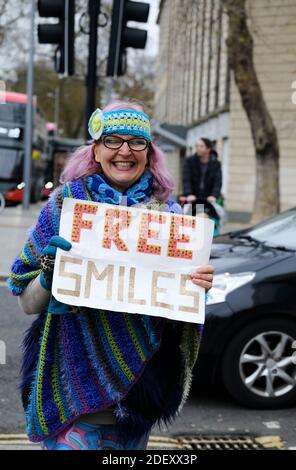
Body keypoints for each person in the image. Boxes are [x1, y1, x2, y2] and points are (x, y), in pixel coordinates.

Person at [7, 99, 214, 451]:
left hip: (137, 397)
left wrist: (197, 287)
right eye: (113, 140)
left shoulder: (170, 216)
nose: (124, 151)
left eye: (136, 142)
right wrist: (48, 272)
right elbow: (27, 302)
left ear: (149, 152)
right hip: (70, 388)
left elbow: (179, 315)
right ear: (96, 150)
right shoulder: (64, 205)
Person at [182, 138, 222, 204]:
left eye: (201, 146)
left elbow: (218, 182)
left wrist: (214, 195)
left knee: (211, 214)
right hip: (193, 199)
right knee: (192, 213)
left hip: (209, 200)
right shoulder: (189, 161)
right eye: (197, 146)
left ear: (208, 149)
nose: (198, 148)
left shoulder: (216, 164)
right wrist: (189, 193)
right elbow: (186, 179)